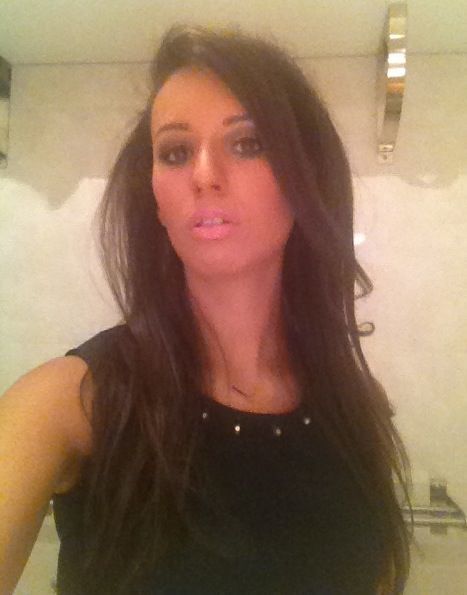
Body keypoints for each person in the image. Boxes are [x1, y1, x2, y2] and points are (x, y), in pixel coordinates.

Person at [0, 24, 413, 595]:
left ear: (304, 178)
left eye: (247, 143)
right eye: (174, 152)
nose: (203, 175)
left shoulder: (355, 403)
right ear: (156, 200)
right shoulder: (65, 405)